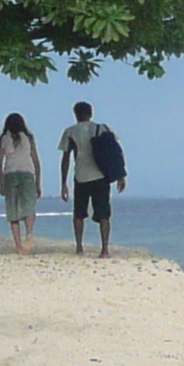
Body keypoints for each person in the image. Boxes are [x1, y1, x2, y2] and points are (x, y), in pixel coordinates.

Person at [57, 100, 122, 257]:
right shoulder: (103, 128)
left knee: (79, 214)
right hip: (101, 176)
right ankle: (105, 250)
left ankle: (79, 247)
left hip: (81, 177)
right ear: (91, 114)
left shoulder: (70, 132)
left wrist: (63, 183)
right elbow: (116, 153)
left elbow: (65, 159)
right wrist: (121, 175)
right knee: (104, 214)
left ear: (75, 115)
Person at [0, 113, 42, 254]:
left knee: (13, 211)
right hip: (27, 172)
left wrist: (1, 183)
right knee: (28, 207)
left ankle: (18, 247)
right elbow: (36, 160)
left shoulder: (3, 138)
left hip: (10, 173)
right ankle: (29, 234)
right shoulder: (28, 138)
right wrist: (38, 182)